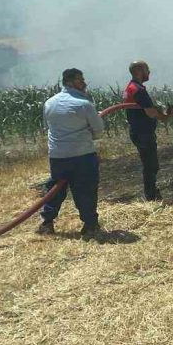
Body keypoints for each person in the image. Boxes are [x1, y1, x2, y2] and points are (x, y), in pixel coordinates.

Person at [39, 68, 105, 238]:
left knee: (55, 188)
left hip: (57, 155)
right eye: (80, 80)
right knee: (86, 189)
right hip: (82, 154)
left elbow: (48, 128)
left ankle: (47, 222)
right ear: (71, 82)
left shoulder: (49, 103)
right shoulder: (84, 104)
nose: (84, 83)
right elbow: (99, 131)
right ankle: (90, 225)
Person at [123, 60, 171, 200]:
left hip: (138, 131)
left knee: (149, 164)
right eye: (146, 69)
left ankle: (151, 193)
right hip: (143, 133)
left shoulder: (130, 87)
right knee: (151, 165)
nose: (149, 72)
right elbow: (150, 112)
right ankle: (151, 196)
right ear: (139, 71)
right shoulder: (138, 90)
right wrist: (164, 116)